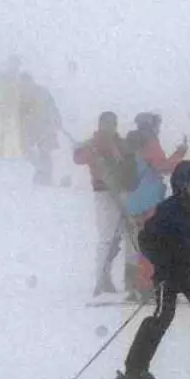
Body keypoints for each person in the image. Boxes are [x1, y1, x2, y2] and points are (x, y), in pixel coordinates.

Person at [108, 160, 190, 379]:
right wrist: (164, 265)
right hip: (169, 276)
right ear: (180, 186)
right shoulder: (167, 210)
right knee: (162, 317)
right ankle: (135, 370)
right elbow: (146, 240)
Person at [122, 113, 188, 300]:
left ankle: (138, 285)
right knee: (152, 243)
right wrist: (180, 153)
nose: (159, 128)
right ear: (152, 125)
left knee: (141, 243)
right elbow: (163, 167)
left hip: (134, 200)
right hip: (150, 199)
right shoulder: (149, 141)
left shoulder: (131, 143)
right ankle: (147, 285)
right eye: (158, 124)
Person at [73, 111, 128, 295]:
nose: (110, 127)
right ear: (100, 124)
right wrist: (88, 152)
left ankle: (106, 277)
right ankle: (101, 279)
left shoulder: (119, 143)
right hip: (104, 193)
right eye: (107, 123)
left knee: (116, 237)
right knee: (107, 237)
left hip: (122, 192)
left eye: (113, 123)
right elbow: (79, 158)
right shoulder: (94, 143)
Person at [17, 73, 62, 186]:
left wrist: (56, 120)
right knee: (29, 154)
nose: (25, 86)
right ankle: (41, 172)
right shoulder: (21, 96)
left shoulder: (42, 92)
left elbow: (52, 107)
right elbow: (20, 116)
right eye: (22, 84)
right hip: (30, 129)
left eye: (26, 83)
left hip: (45, 127)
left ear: (31, 82)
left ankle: (46, 178)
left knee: (45, 152)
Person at [0, 55, 26, 160]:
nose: (15, 67)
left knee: (13, 135)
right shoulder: (1, 77)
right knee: (1, 134)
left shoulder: (18, 79)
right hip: (3, 110)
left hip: (14, 111)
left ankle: (12, 157)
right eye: (13, 64)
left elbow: (21, 95)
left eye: (17, 64)